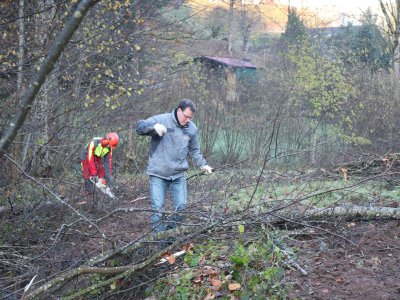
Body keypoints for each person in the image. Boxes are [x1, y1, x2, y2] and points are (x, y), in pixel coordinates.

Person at [136, 99, 213, 233]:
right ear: (179, 111)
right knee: (157, 210)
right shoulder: (161, 120)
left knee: (182, 209)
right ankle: (156, 242)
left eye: (191, 117)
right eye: (186, 116)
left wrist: (203, 165)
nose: (188, 120)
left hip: (178, 174)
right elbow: (139, 127)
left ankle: (169, 236)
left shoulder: (192, 129)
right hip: (158, 173)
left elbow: (194, 150)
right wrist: (153, 127)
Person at [81, 132, 119, 196]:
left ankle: (102, 193)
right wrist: (94, 174)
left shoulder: (109, 148)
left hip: (97, 157)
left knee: (101, 173)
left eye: (110, 146)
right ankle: (89, 194)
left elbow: (108, 162)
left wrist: (109, 175)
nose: (109, 147)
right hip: (87, 157)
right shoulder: (94, 142)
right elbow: (90, 159)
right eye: (109, 145)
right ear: (107, 140)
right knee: (88, 175)